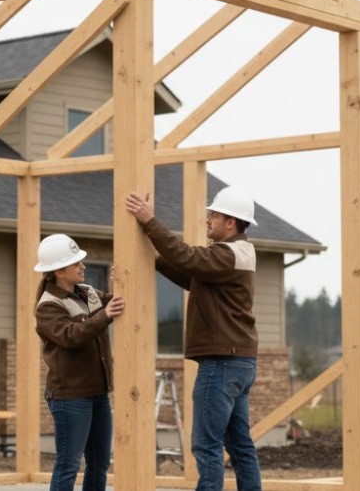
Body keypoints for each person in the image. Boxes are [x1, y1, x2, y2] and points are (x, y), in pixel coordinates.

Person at [124, 186, 261, 491]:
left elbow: (187, 257)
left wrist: (149, 221)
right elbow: (193, 276)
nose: (207, 219)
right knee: (240, 446)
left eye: (214, 215)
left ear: (231, 222)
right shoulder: (237, 254)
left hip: (222, 363)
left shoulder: (227, 254)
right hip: (239, 361)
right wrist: (156, 259)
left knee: (205, 444)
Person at [34, 234, 125, 491]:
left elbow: (115, 302)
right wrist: (104, 316)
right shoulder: (47, 307)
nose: (82, 266)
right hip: (70, 397)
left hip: (98, 393)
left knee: (99, 463)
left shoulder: (88, 292)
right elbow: (71, 336)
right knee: (68, 465)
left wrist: (122, 282)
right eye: (76, 263)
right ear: (59, 271)